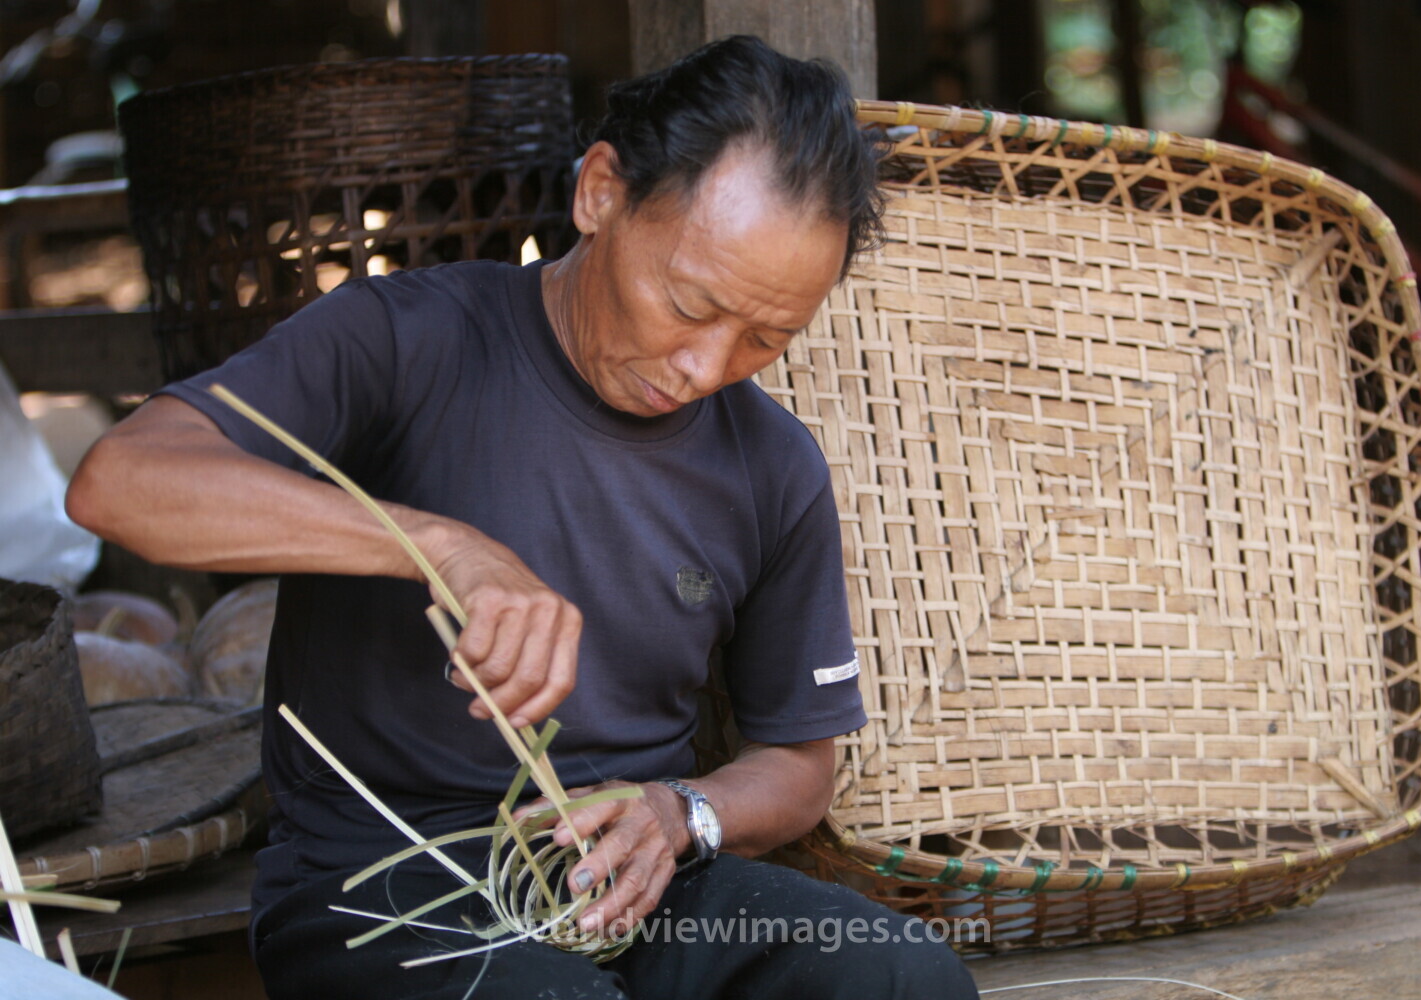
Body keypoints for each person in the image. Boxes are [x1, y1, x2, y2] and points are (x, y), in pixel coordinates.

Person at [68, 36, 980, 1000]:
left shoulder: (772, 465)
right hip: (378, 888)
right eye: (687, 302)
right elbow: (121, 482)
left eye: (766, 337)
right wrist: (439, 546)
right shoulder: (404, 341)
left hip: (633, 883)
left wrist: (682, 814)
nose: (705, 368)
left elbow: (799, 763)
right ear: (600, 194)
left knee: (902, 978)